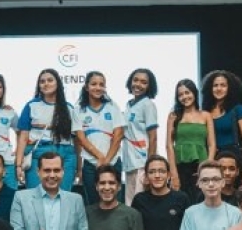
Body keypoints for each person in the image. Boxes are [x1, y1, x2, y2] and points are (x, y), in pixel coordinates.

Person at [15, 69, 79, 191]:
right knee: (35, 195)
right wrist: (18, 165)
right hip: (38, 153)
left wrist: (79, 168)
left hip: (65, 154)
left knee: (63, 196)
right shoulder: (31, 105)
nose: (46, 84)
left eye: (50, 80)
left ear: (58, 83)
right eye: (42, 81)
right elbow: (23, 138)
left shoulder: (69, 108)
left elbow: (77, 140)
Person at [75, 71, 125, 204]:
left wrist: (106, 161)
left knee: (115, 203)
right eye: (94, 84)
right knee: (93, 204)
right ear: (86, 87)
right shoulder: (78, 109)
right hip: (90, 164)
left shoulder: (112, 106)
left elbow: (118, 135)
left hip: (113, 162)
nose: (98, 87)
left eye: (101, 85)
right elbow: (81, 139)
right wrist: (100, 157)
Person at [166, 79, 216, 199]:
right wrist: (173, 174)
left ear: (194, 93)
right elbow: (169, 145)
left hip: (201, 166)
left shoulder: (206, 115)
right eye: (180, 95)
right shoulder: (173, 116)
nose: (184, 97)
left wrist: (207, 169)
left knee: (201, 199)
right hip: (180, 166)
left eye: (187, 92)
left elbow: (212, 145)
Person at [202, 70, 242, 178]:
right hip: (213, 159)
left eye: (223, 85)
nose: (219, 88)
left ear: (229, 88)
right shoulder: (205, 111)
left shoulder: (237, 109)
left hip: (234, 159)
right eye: (215, 85)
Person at [121, 69, 159, 203]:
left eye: (144, 82)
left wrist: (150, 167)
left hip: (142, 163)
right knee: (130, 204)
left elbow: (153, 138)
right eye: (135, 80)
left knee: (141, 202)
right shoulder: (128, 105)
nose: (138, 84)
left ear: (149, 86)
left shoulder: (148, 105)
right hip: (130, 162)